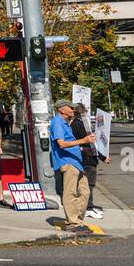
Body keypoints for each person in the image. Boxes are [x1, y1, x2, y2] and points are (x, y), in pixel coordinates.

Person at [51, 100, 94, 235]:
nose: (73, 110)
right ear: (62, 110)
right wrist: (83, 141)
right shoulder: (57, 122)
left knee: (85, 191)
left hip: (76, 162)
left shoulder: (65, 123)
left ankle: (77, 219)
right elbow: (62, 144)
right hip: (67, 162)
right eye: (71, 108)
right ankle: (73, 222)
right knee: (70, 192)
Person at [72, 105, 109, 219]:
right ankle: (87, 207)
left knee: (87, 184)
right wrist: (102, 157)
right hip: (87, 158)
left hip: (87, 157)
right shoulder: (80, 124)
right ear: (83, 112)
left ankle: (89, 206)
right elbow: (89, 143)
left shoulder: (77, 124)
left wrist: (101, 157)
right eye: (86, 111)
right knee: (88, 184)